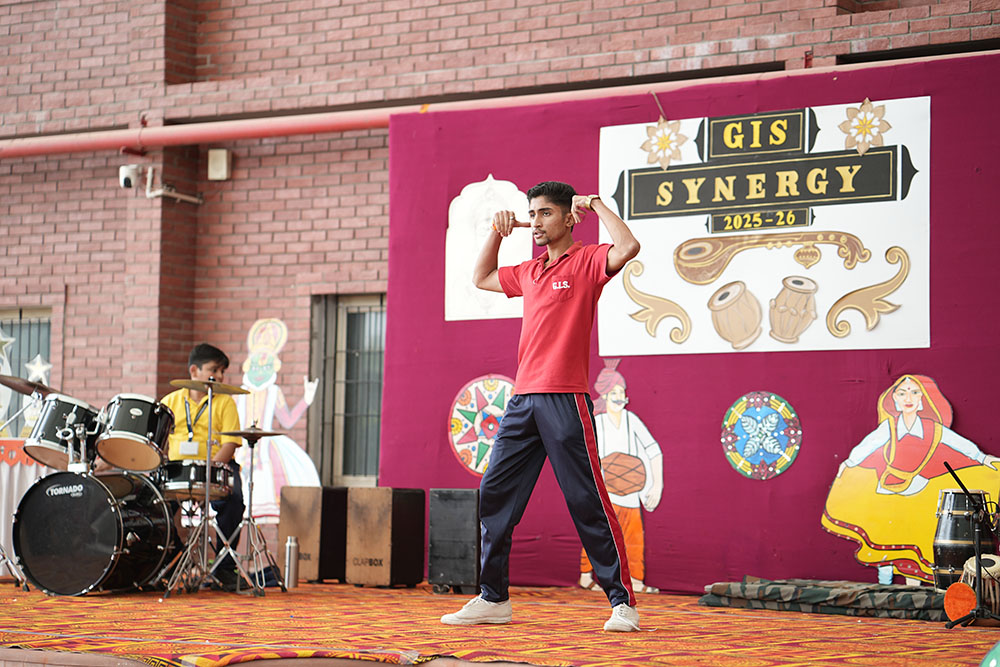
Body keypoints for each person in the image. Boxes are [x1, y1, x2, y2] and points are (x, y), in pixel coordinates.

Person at [441, 181, 642, 632]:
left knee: (586, 500)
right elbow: (481, 278)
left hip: (565, 398)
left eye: (546, 213)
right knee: (494, 494)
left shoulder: (588, 260)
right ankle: (494, 598)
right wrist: (497, 232)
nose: (535, 222)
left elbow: (628, 246)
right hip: (523, 400)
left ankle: (622, 602)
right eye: (532, 213)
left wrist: (596, 204)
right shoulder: (530, 271)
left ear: (569, 218)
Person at [823, 374, 1000, 583]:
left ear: (922, 399)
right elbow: (866, 447)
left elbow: (960, 444)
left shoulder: (933, 429)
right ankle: (885, 586)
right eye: (902, 393)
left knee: (914, 542)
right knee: (885, 541)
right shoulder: (889, 427)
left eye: (914, 392)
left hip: (918, 489)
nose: (908, 398)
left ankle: (912, 587)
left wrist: (983, 458)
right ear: (894, 399)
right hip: (887, 491)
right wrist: (849, 464)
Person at [160, 343, 245, 591]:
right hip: (177, 469)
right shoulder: (170, 401)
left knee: (235, 501)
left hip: (216, 467)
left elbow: (230, 444)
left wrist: (208, 471)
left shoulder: (225, 402)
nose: (219, 376)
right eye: (214, 370)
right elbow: (157, 442)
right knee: (154, 506)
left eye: (222, 372)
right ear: (194, 371)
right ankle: (173, 560)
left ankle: (225, 568)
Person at [580, 359, 663, 595]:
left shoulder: (631, 420)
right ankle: (585, 575)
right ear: (605, 395)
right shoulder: (598, 422)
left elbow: (653, 450)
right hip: (605, 491)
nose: (619, 396)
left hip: (630, 492)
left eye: (622, 392)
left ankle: (636, 580)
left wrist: (656, 485)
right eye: (614, 392)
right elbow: (585, 454)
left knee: (634, 537)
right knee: (597, 533)